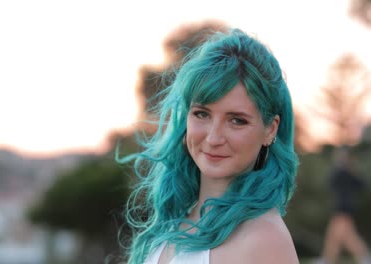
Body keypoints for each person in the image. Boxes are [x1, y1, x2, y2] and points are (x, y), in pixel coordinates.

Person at [119, 28, 299, 264]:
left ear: (270, 129)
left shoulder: (264, 239)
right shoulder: (172, 222)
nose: (213, 138)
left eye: (237, 120)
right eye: (202, 114)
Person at [320, 147, 370, 264]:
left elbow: (362, 185)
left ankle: (364, 257)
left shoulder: (345, 171)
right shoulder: (343, 171)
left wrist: (353, 171)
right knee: (336, 235)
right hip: (341, 207)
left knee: (345, 236)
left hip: (345, 208)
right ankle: (328, 259)